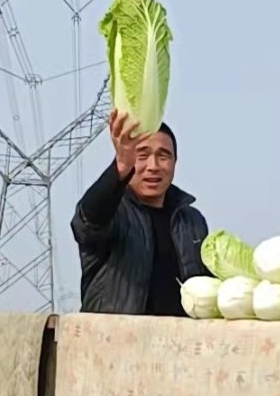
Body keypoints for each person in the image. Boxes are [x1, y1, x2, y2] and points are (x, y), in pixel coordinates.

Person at [71, 110, 209, 315]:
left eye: (164, 156)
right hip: (115, 341)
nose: (153, 166)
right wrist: (119, 168)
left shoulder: (192, 221)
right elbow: (87, 223)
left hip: (178, 342)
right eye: (142, 155)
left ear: (175, 163)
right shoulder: (112, 211)